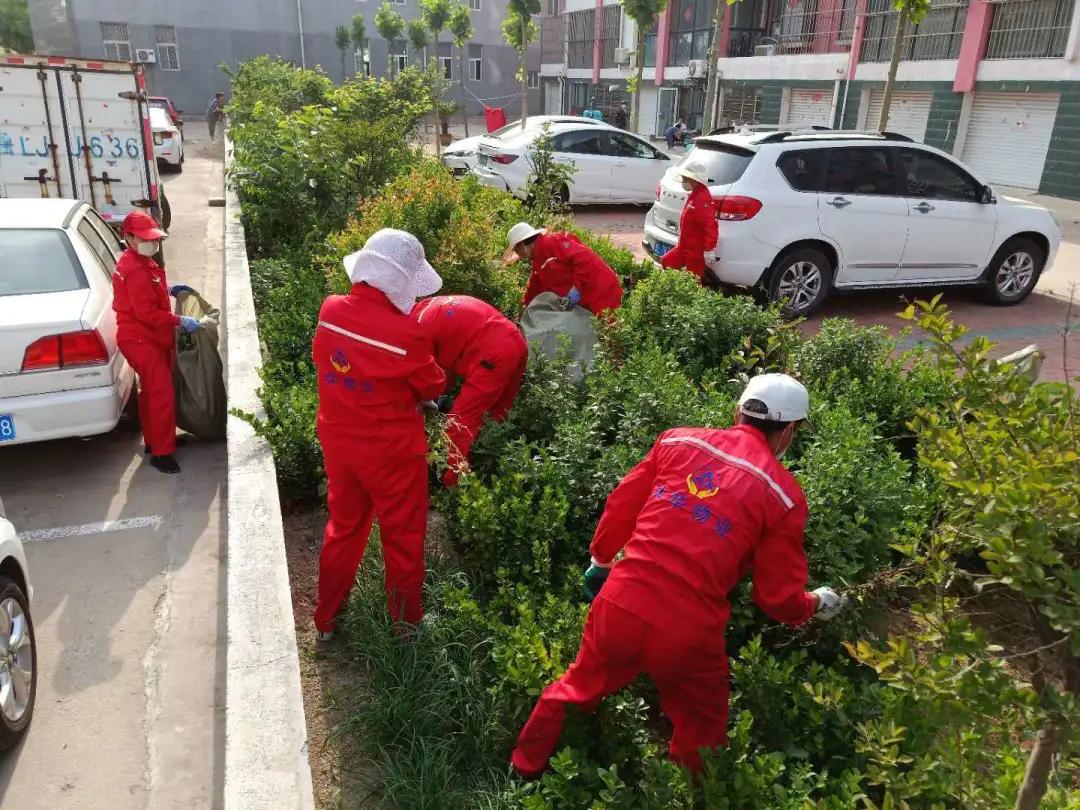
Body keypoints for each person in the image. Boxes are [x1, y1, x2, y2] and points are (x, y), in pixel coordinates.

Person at [510, 373, 847, 778]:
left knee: (574, 687)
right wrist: (814, 604)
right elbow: (776, 598)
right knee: (702, 729)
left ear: (738, 410)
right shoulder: (784, 495)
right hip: (689, 631)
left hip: (621, 601)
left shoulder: (677, 441)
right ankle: (692, 792)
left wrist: (600, 562)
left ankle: (522, 768)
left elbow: (621, 506)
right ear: (789, 430)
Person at [311, 229, 446, 641]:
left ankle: (327, 622)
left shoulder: (330, 310)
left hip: (340, 445)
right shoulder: (409, 335)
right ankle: (406, 624)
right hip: (393, 455)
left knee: (343, 529)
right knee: (402, 536)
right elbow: (433, 386)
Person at [112, 210, 201, 475]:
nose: (152, 244)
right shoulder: (134, 268)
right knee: (161, 393)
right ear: (127, 237)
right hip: (142, 339)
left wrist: (169, 289)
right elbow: (147, 314)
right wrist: (180, 321)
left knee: (151, 392)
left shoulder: (137, 261)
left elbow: (148, 293)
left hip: (146, 337)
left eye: (153, 239)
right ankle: (162, 453)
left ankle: (155, 441)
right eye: (144, 239)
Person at [411, 295, 528, 487]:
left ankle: (453, 484)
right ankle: (489, 467)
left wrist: (423, 400)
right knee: (496, 415)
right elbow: (445, 371)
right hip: (515, 341)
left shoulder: (416, 329)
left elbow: (430, 375)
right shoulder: (432, 306)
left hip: (493, 354)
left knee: (461, 422)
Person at [505, 223, 623, 317]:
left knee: (610, 334)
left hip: (601, 290)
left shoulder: (551, 242)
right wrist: (524, 307)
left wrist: (576, 288)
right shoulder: (538, 258)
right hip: (587, 297)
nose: (518, 255)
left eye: (517, 250)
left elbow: (582, 258)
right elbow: (535, 285)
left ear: (522, 246)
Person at [660, 161, 718, 283]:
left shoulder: (702, 198)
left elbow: (710, 225)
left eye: (685, 178)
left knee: (694, 281)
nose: (683, 181)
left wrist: (709, 249)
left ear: (693, 180)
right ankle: (675, 289)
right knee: (667, 262)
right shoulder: (695, 194)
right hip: (684, 246)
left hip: (695, 250)